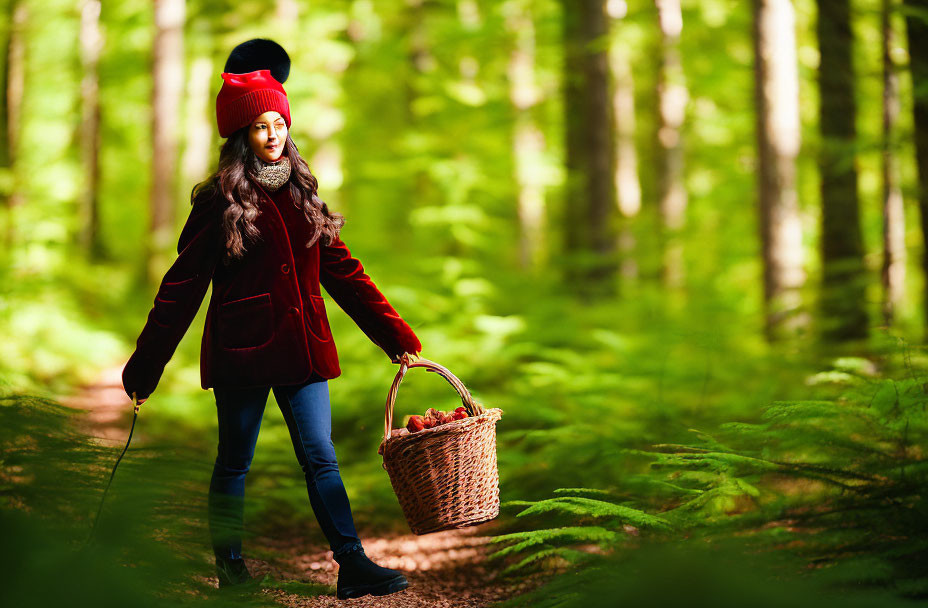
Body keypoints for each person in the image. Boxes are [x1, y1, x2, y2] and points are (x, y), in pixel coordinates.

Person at [121, 38, 420, 600]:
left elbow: (345, 272)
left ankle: (352, 564)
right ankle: (231, 572)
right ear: (240, 136)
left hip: (303, 347)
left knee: (321, 458)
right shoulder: (218, 201)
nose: (273, 133)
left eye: (278, 121)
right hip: (243, 350)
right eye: (259, 126)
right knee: (234, 462)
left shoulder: (304, 193)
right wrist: (146, 365)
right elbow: (181, 288)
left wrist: (394, 335)